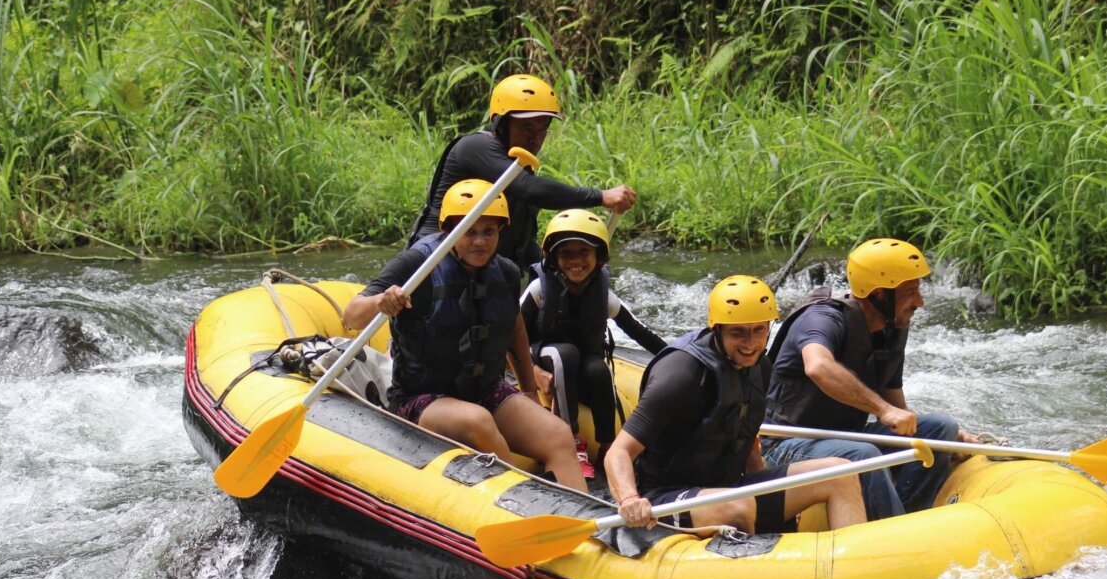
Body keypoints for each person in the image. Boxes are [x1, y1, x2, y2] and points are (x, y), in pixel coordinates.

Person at [344, 179, 587, 491]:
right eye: (469, 231)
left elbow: (513, 328)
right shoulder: (419, 264)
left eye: (489, 231)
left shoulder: (506, 272)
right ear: (448, 231)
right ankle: (523, 508)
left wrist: (528, 391)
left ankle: (587, 529)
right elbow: (351, 315)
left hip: (484, 390)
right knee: (477, 421)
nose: (480, 241)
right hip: (421, 399)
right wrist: (381, 302)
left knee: (558, 434)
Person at [604, 276, 866, 534]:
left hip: (727, 489)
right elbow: (619, 452)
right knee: (739, 507)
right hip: (666, 498)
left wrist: (772, 500)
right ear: (717, 329)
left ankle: (856, 570)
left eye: (759, 330)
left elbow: (747, 442)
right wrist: (629, 500)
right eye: (738, 332)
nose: (750, 343)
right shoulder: (681, 373)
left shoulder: (760, 367)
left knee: (840, 472)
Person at [760, 239, 979, 519]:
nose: (920, 302)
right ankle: (892, 532)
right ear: (879, 294)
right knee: (862, 454)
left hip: (846, 437)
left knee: (940, 428)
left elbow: (898, 408)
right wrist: (883, 411)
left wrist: (950, 440)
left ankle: (910, 516)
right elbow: (817, 366)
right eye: (911, 292)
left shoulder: (892, 327)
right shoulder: (823, 318)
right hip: (787, 444)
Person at [408, 74, 638, 270]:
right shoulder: (475, 148)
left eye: (543, 129)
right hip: (435, 259)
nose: (536, 137)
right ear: (501, 123)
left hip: (482, 268)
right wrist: (600, 196)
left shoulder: (520, 169)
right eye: (527, 127)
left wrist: (552, 267)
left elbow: (522, 243)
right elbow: (529, 188)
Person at [520, 209, 668, 476]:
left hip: (580, 363)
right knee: (564, 354)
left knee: (598, 368)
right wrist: (532, 371)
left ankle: (607, 445)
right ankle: (570, 441)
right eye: (567, 254)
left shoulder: (604, 296)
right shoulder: (540, 290)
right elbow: (510, 329)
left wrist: (674, 355)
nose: (576, 261)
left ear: (598, 258)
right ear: (553, 258)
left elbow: (640, 332)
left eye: (584, 253)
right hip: (543, 353)